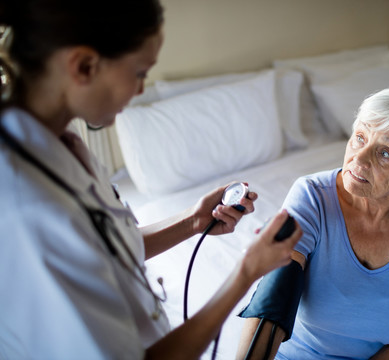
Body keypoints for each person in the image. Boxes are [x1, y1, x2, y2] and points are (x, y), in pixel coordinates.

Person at [0, 0, 302, 358]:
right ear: (84, 66)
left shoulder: (65, 145)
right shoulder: (26, 207)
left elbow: (105, 249)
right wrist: (247, 272)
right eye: (140, 72)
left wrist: (193, 220)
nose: (141, 89)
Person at [237, 87, 389, 360]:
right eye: (360, 137)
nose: (359, 158)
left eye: (386, 153)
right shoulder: (312, 196)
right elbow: (273, 304)